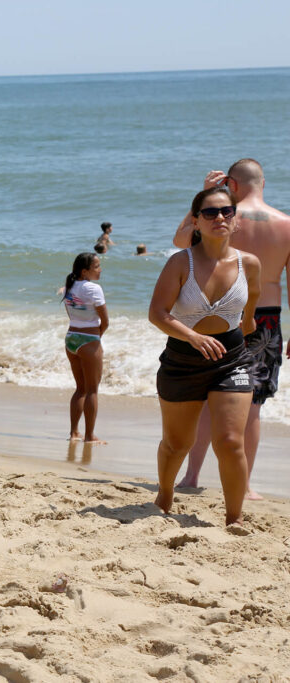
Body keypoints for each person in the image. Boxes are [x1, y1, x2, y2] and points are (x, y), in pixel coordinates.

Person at [173, 160, 290, 498]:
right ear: (262, 183)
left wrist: (204, 196)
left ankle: (191, 477)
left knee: (210, 396)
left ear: (231, 185)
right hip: (265, 318)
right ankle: (246, 485)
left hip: (219, 315)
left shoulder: (222, 219)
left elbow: (182, 242)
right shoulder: (286, 225)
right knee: (251, 402)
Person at [149, 186, 261, 527]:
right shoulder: (180, 262)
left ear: (236, 219)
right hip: (182, 361)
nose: (220, 218)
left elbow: (251, 308)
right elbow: (157, 313)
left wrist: (246, 328)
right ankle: (166, 493)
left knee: (229, 441)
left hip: (232, 359)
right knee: (177, 443)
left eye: (227, 211)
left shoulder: (249, 264)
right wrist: (194, 337)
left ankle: (234, 518)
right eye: (210, 213)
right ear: (196, 221)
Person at [62, 253, 108, 443]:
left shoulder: (69, 287)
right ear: (85, 271)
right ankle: (89, 435)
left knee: (80, 389)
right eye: (96, 266)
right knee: (92, 390)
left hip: (71, 338)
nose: (100, 269)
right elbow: (105, 321)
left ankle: (74, 433)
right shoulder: (93, 289)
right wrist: (97, 338)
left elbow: (70, 315)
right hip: (89, 339)